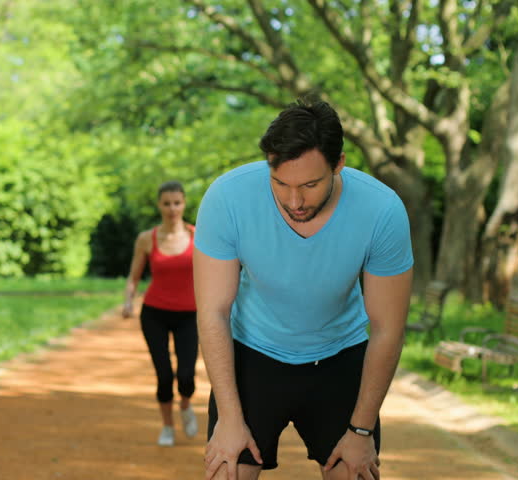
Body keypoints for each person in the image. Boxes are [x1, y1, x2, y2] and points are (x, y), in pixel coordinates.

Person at [193, 99, 413, 480]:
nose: (294, 201)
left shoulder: (383, 211)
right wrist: (229, 418)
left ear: (338, 164)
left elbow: (388, 328)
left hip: (339, 358)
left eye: (310, 185)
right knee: (227, 471)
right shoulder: (227, 198)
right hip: (253, 358)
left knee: (355, 473)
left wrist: (361, 431)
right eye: (280, 183)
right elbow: (213, 311)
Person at [123, 180, 200, 447]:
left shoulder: (197, 235)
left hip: (190, 314)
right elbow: (134, 277)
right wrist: (128, 301)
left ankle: (186, 404)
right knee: (164, 374)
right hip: (155, 313)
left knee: (186, 375)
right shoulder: (147, 239)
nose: (172, 208)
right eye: (166, 203)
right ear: (159, 205)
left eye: (177, 202)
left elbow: (214, 273)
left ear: (184, 203)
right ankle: (167, 427)